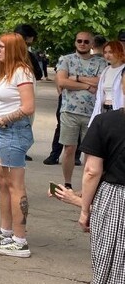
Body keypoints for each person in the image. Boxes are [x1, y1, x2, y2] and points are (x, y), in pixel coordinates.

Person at [0, 33, 36, 258]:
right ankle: (6, 230)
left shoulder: (22, 72)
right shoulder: (8, 72)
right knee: (2, 181)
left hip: (14, 132)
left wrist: (7, 120)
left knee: (15, 185)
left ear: (13, 49)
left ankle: (20, 240)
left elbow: (28, 106)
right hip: (2, 131)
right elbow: (3, 104)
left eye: (2, 47)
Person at [78, 72, 125, 284]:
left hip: (114, 199)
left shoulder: (104, 122)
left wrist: (85, 209)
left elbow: (91, 171)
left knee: (108, 264)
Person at [56, 31, 107, 188]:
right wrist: (86, 85)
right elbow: (62, 82)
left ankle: (87, 186)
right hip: (69, 111)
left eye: (86, 41)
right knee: (69, 148)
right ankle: (68, 183)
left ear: (92, 44)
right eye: (79, 41)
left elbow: (101, 81)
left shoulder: (101, 62)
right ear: (75, 42)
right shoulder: (66, 60)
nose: (82, 43)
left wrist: (76, 78)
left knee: (91, 152)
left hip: (93, 113)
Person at [89, 41, 125, 125]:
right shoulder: (106, 70)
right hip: (104, 109)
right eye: (105, 52)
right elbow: (101, 94)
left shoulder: (123, 69)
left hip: (118, 110)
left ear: (119, 52)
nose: (107, 55)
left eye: (111, 52)